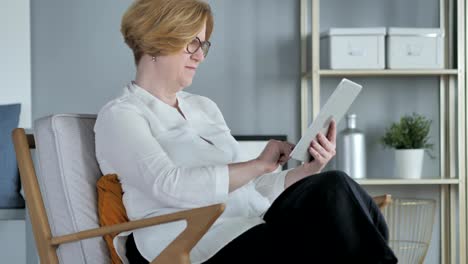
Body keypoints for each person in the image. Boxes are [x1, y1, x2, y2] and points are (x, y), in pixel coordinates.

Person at [94, 0, 398, 263]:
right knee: (335, 204)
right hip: (189, 247)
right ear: (154, 43)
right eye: (192, 43)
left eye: (203, 45)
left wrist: (307, 169)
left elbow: (251, 191)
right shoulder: (122, 115)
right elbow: (167, 185)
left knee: (334, 185)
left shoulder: (204, 107)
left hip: (248, 226)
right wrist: (257, 165)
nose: (200, 56)